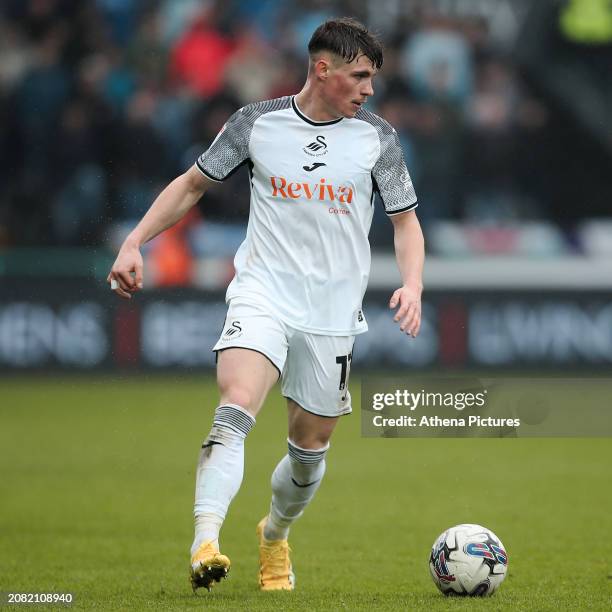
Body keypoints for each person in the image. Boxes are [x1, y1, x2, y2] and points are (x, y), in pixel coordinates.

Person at [107, 17, 424, 593]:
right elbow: (191, 184)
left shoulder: (378, 137)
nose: (369, 90)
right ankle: (205, 541)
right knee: (237, 402)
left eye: (373, 79)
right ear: (322, 69)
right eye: (360, 76)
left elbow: (406, 223)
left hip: (331, 312)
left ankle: (275, 534)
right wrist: (134, 241)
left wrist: (413, 283)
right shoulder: (257, 122)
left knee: (309, 451)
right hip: (263, 292)